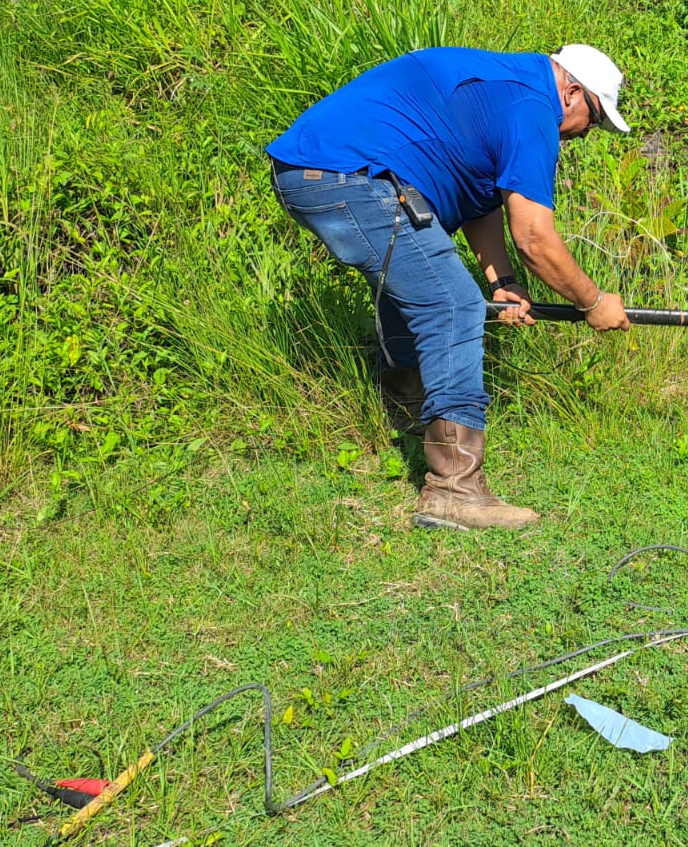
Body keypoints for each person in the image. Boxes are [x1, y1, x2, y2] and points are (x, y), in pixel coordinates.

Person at [267, 44, 632, 530]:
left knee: (424, 284)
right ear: (571, 93)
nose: (588, 132)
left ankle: (405, 412)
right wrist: (594, 301)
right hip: (345, 175)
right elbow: (534, 236)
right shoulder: (532, 107)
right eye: (595, 118)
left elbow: (480, 195)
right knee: (454, 305)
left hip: (320, 169)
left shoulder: (509, 87)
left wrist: (502, 281)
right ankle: (454, 492)